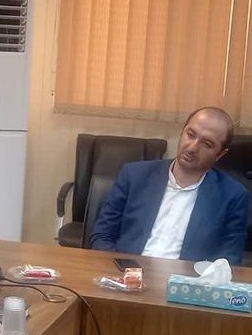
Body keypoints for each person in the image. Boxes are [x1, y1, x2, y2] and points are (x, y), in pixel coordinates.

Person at [90, 106, 249, 265]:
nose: (192, 147)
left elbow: (229, 260)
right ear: (182, 132)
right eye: (190, 135)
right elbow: (102, 235)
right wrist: (120, 270)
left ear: (219, 154)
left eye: (206, 143)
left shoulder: (233, 197)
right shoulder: (134, 175)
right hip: (125, 272)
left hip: (186, 278)